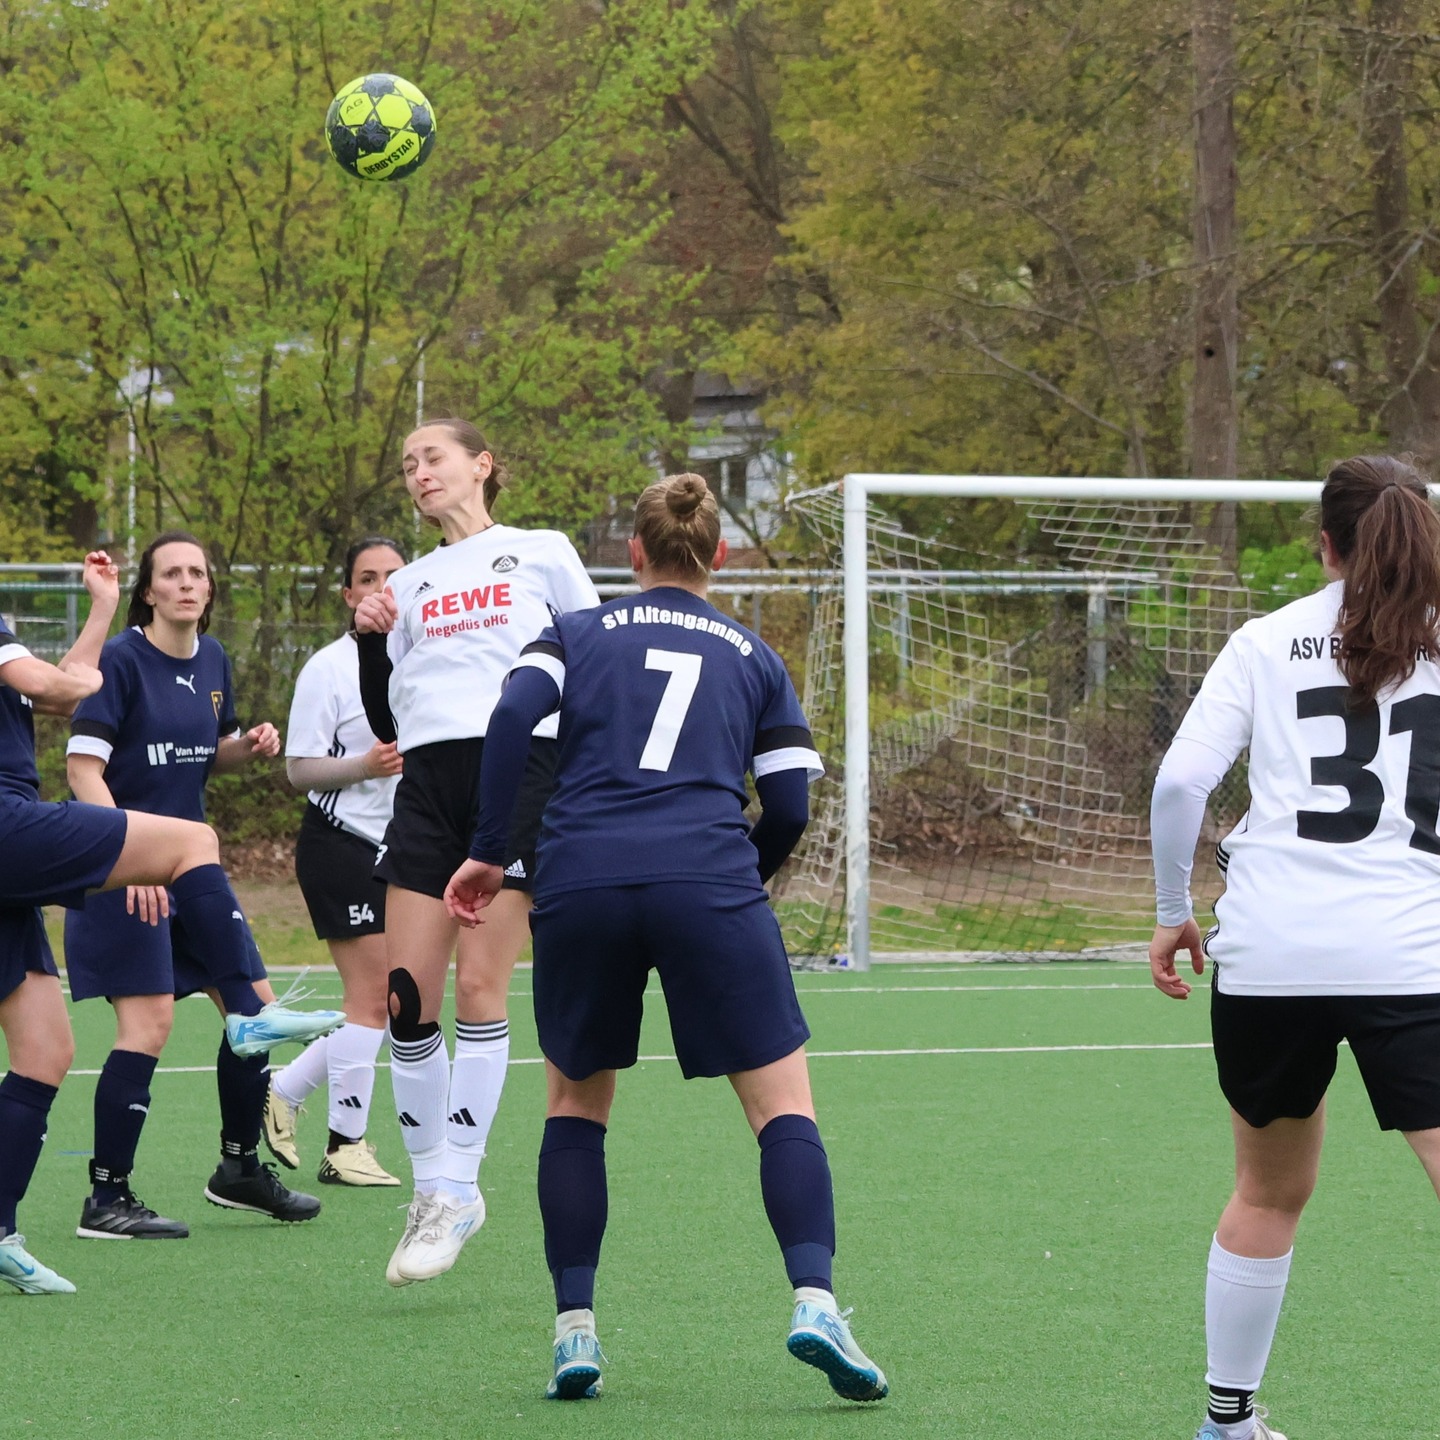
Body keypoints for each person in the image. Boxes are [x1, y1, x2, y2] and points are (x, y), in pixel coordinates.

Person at [443, 473, 889, 1404]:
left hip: (582, 879)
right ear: (718, 557)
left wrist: (491, 851)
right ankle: (815, 1300)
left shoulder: (573, 631)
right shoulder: (756, 654)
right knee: (782, 1107)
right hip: (708, 882)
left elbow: (513, 716)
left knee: (574, 1106)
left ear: (632, 555)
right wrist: (735, 877)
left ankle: (575, 1333)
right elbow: (795, 805)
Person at [1149, 454, 1440, 1440]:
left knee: (1267, 1191)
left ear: (1324, 545)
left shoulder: (1264, 641)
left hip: (1270, 957)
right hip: (1414, 956)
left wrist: (1167, 907)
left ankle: (1227, 1424)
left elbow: (1180, 784)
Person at [354, 417, 600, 1286]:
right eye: (408, 463)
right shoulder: (409, 581)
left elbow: (595, 664)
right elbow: (386, 720)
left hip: (522, 772)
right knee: (405, 995)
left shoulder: (541, 551)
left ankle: (460, 1179)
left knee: (481, 987)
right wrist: (369, 637)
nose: (418, 473)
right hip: (427, 784)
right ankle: (435, 1194)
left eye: (434, 457)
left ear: (481, 465)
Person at [64, 532, 344, 1240]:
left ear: (210, 589)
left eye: (198, 573)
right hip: (125, 873)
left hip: (192, 875)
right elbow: (82, 770)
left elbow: (199, 760)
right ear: (149, 591)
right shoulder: (121, 661)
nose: (187, 583)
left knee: (254, 1013)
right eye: (172, 574)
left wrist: (242, 750)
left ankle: (239, 1170)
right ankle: (107, 1197)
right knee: (149, 1025)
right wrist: (127, 855)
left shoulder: (213, 660)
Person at [264, 536, 407, 1187]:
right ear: (349, 595)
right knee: (373, 999)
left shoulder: (429, 660)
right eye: (366, 579)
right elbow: (297, 770)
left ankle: (283, 1090)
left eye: (392, 577)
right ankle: (345, 1145)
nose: (379, 588)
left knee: (391, 1000)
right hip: (339, 842)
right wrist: (364, 765)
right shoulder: (328, 667)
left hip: (403, 850)